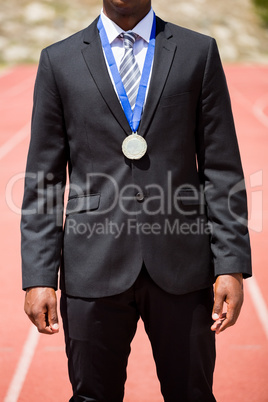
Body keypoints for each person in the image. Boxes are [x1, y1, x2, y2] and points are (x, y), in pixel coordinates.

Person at [21, 0, 252, 400]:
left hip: (182, 265)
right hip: (92, 266)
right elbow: (44, 179)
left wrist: (230, 264)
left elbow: (222, 168)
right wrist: (40, 276)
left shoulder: (198, 52)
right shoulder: (59, 61)